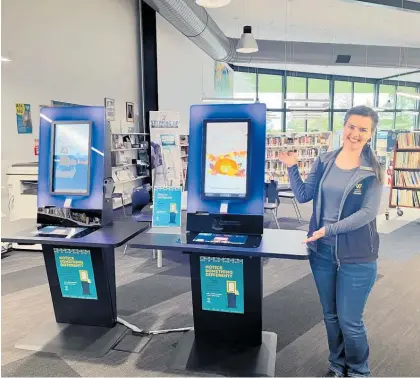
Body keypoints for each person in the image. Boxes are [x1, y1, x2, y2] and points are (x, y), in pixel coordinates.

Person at [279, 105, 383, 377]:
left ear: (370, 134)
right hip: (322, 252)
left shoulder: (372, 170)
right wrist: (291, 168)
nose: (355, 134)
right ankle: (337, 366)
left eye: (363, 129)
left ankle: (359, 371)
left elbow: (368, 213)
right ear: (344, 127)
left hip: (357, 255)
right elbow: (303, 195)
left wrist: (329, 230)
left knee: (350, 322)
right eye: (351, 127)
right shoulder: (324, 160)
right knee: (331, 317)